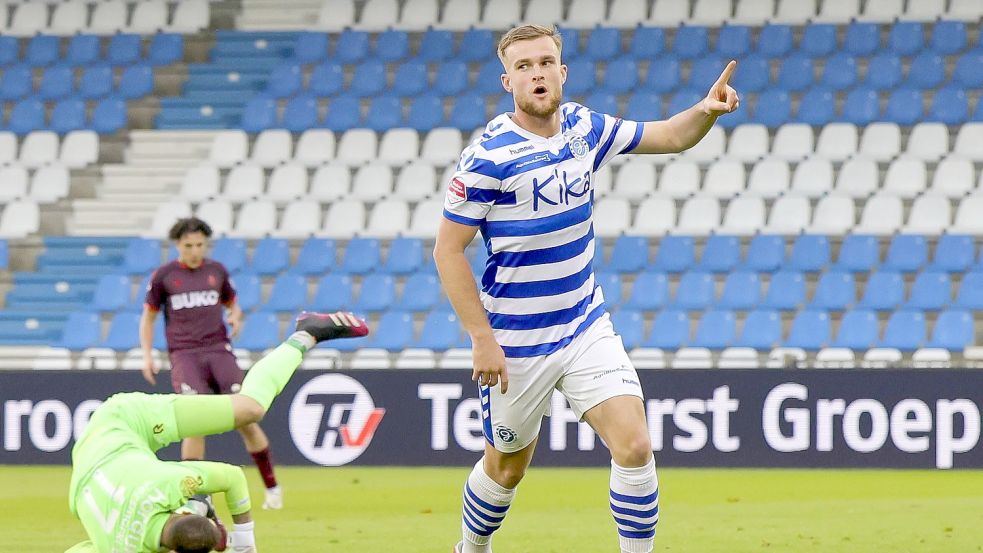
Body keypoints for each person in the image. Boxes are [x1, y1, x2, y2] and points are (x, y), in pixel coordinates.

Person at [433, 25, 739, 553]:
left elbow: (668, 135)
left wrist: (706, 111)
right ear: (508, 81)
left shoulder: (582, 127)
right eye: (524, 66)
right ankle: (471, 546)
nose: (537, 73)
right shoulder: (487, 156)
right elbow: (447, 249)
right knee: (506, 470)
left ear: (562, 71)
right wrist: (481, 338)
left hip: (583, 323)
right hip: (515, 342)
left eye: (545, 62)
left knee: (635, 443)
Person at [66, 311, 369, 553]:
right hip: (87, 473)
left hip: (124, 420)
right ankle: (199, 504)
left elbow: (233, 477)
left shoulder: (168, 483)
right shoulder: (115, 542)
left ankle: (307, 332)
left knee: (250, 408)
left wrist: (245, 543)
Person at [140, 217, 283, 510]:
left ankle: (272, 488)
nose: (195, 251)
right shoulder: (164, 277)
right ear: (178, 245)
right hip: (184, 355)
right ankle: (196, 499)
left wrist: (235, 316)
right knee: (195, 423)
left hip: (218, 351)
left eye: (200, 245)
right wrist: (146, 353)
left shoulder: (216, 271)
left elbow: (232, 303)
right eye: (188, 245)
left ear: (206, 244)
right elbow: (149, 317)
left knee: (247, 418)